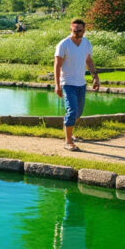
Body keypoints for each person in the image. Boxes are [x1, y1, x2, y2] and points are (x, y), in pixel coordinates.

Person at [54, 18, 100, 151]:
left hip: (81, 83)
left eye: (80, 30)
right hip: (67, 83)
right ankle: (68, 142)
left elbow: (89, 61)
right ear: (71, 29)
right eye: (75, 30)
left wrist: (95, 77)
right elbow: (57, 65)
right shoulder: (64, 44)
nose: (77, 32)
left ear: (84, 30)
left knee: (78, 113)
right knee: (72, 110)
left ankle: (70, 134)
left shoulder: (86, 43)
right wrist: (57, 84)